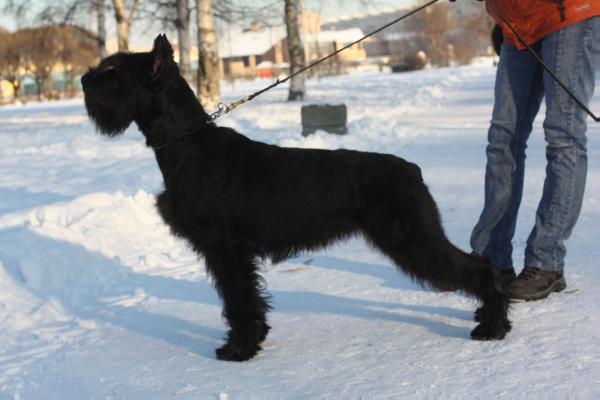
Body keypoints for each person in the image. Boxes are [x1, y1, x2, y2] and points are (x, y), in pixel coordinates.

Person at [469, 1, 600, 301]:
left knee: (562, 134)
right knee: (503, 138)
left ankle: (546, 261)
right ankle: (490, 258)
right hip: (516, 23)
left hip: (568, 12)